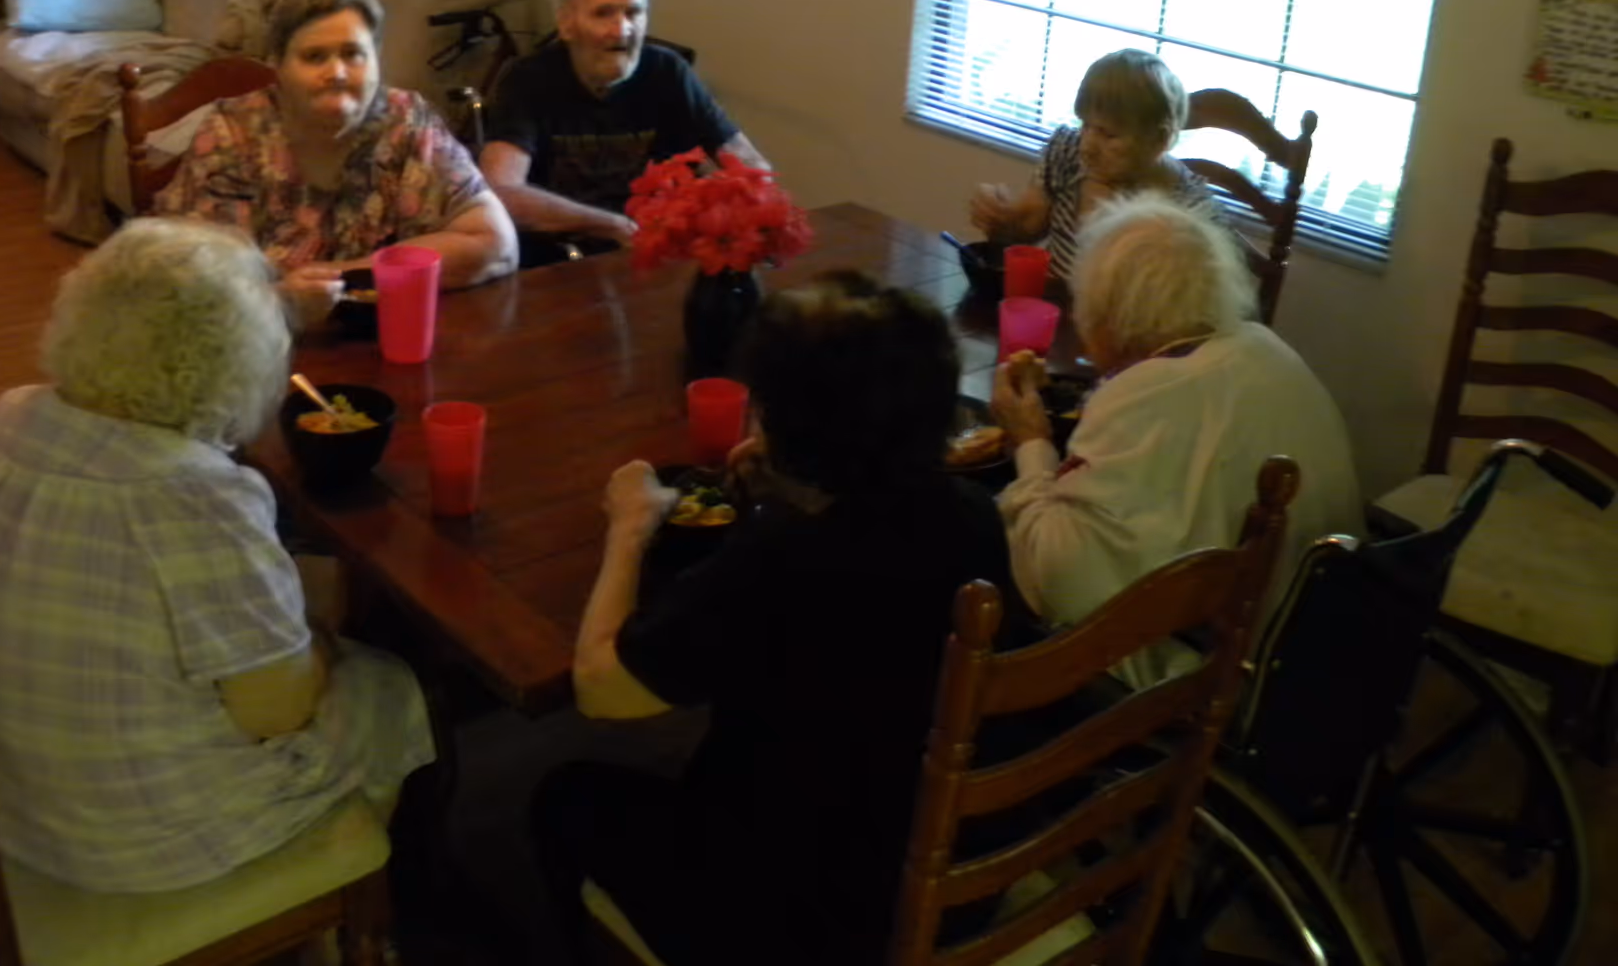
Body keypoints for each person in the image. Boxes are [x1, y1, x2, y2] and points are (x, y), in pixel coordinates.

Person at [531, 271, 1022, 966]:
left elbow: (600, 686)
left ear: (792, 424)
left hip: (814, 922)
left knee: (565, 797)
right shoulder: (971, 514)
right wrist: (794, 482)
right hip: (952, 874)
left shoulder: (785, 556)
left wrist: (630, 528)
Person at [0, 218, 436, 893]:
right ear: (236, 365)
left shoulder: (11, 415)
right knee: (392, 684)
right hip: (137, 845)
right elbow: (276, 712)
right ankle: (346, 900)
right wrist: (322, 636)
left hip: (4, 794)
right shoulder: (193, 493)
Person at [991, 195, 1362, 688]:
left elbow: (1055, 583)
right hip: (1328, 656)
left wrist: (1031, 443)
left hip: (1224, 684)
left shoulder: (1148, 398)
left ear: (1110, 319)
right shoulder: (1266, 348)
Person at [156, 0, 517, 321]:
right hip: (258, 348)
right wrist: (281, 302)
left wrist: (340, 274)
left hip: (385, 340)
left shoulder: (408, 123)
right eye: (314, 57)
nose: (338, 72)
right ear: (278, 67)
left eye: (352, 53)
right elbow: (185, 282)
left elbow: (496, 246)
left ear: (376, 61)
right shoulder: (231, 134)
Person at [479, 0, 770, 261]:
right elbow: (502, 191)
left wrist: (740, 214)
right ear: (567, 23)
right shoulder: (528, 79)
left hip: (660, 254)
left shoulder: (668, 73)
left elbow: (750, 167)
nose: (621, 30)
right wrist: (611, 225)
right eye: (603, 13)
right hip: (560, 258)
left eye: (633, 12)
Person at [968, 48, 1213, 280]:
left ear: (1159, 139)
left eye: (1109, 135)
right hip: (1054, 307)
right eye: (1085, 125)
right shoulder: (1067, 152)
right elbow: (1026, 232)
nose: (1087, 146)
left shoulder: (1188, 212)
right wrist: (1002, 218)